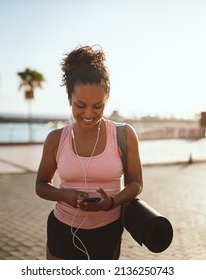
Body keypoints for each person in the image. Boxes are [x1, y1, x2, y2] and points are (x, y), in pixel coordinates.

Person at [35, 45, 143, 260]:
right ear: (69, 100)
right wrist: (64, 195)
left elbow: (136, 184)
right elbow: (40, 185)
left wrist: (111, 202)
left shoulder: (124, 135)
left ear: (107, 101)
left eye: (98, 106)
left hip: (108, 230)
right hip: (62, 230)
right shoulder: (56, 139)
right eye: (80, 105)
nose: (88, 114)